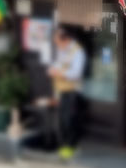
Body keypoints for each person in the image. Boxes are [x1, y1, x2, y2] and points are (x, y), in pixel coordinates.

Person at [47, 27, 86, 160]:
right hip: (62, 90)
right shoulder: (63, 50)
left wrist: (59, 73)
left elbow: (76, 73)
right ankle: (65, 147)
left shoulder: (78, 52)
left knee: (70, 120)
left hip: (73, 91)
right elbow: (58, 64)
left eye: (59, 42)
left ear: (67, 40)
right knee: (62, 120)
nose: (58, 45)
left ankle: (71, 147)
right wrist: (54, 69)